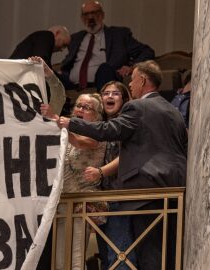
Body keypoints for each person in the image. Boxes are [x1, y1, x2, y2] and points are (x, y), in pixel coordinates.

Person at [56, 60, 187, 270]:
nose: (131, 86)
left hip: (145, 192)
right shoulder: (174, 111)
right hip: (175, 191)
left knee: (147, 255)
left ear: (143, 80)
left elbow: (109, 131)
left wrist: (70, 123)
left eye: (132, 80)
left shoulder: (137, 106)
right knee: (168, 255)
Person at [41, 94, 107, 270]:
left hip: (81, 204)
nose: (80, 109)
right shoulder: (65, 135)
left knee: (74, 260)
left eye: (87, 108)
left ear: (97, 115)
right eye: (78, 105)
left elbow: (80, 142)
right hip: (62, 203)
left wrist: (54, 117)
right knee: (60, 262)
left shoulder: (99, 131)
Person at [83, 81, 137, 269]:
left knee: (120, 254)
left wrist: (100, 172)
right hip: (101, 199)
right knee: (105, 255)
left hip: (119, 196)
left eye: (115, 94)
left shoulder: (127, 122)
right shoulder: (101, 125)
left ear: (124, 99)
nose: (109, 97)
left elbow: (126, 156)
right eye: (106, 93)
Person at [59, 0, 155, 91]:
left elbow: (147, 51)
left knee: (104, 68)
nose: (90, 17)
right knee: (48, 74)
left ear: (102, 15)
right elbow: (69, 60)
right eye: (86, 14)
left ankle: (105, 103)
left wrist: (132, 67)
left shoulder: (119, 35)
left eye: (94, 13)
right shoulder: (76, 38)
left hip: (103, 81)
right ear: (82, 18)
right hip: (72, 84)